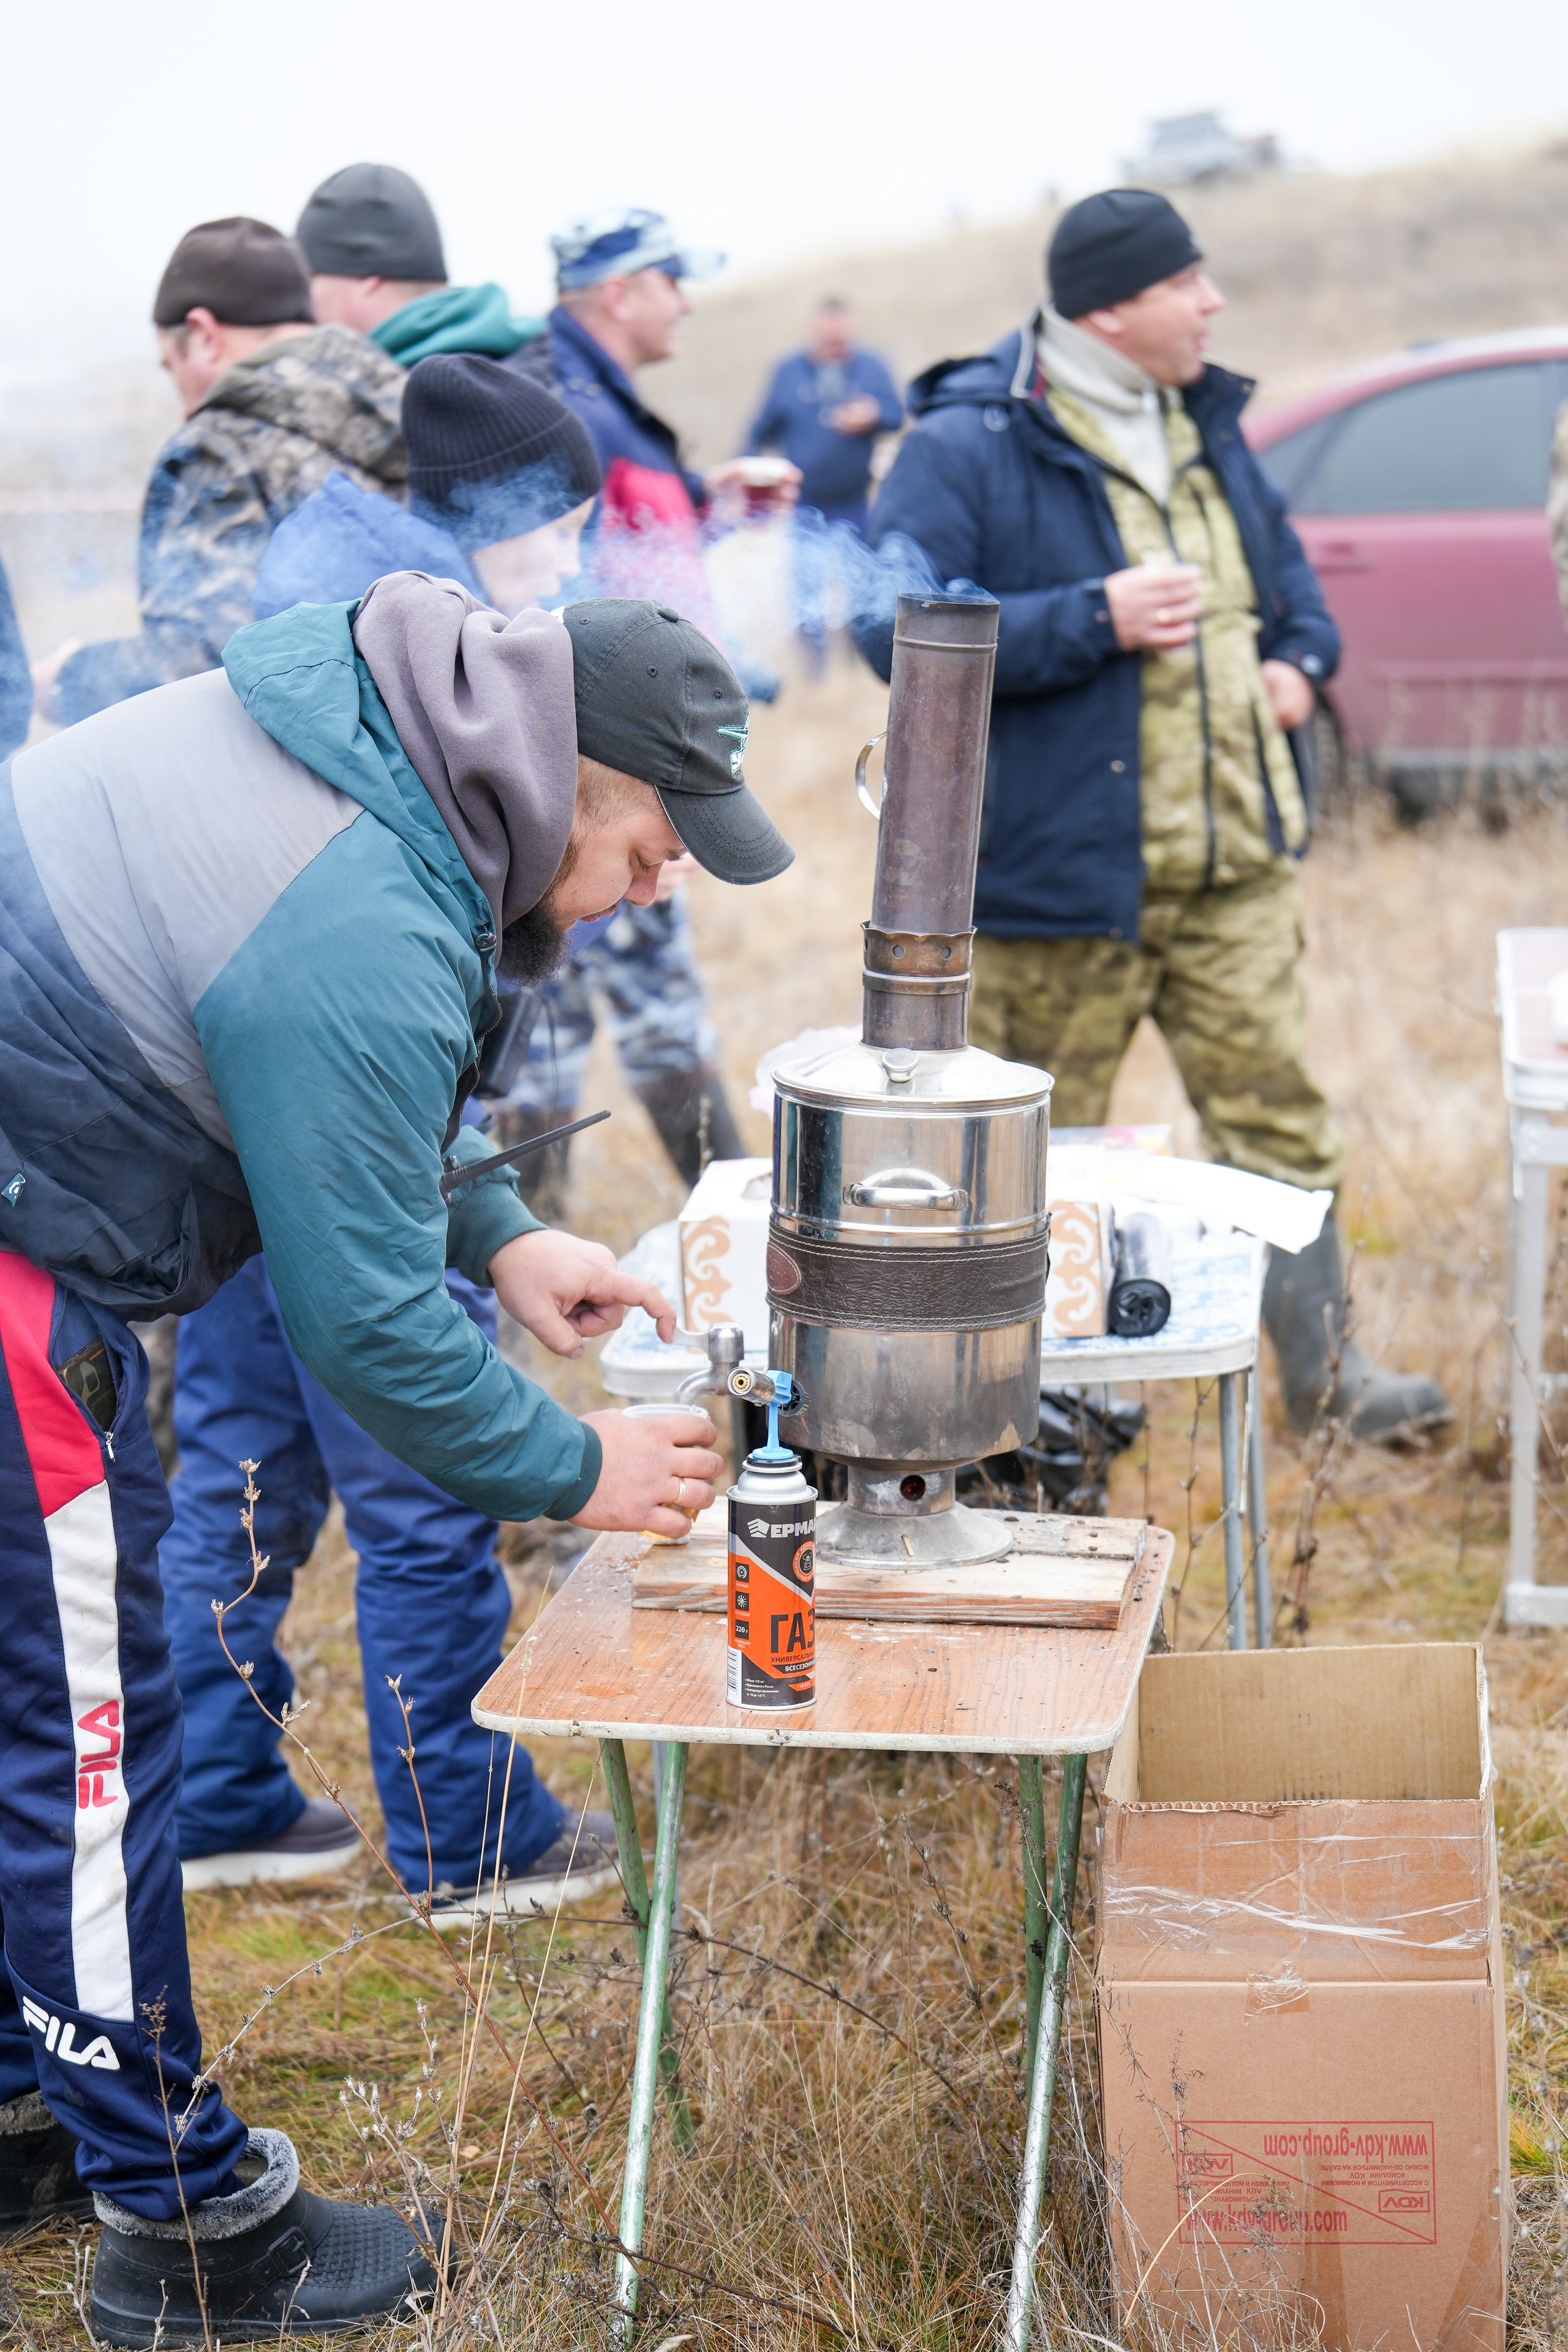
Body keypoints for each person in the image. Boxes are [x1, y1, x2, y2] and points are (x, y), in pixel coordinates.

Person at [0, 573, 790, 2331]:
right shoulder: (367, 897)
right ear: (575, 769)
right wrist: (581, 1473)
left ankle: (22, 2099)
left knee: (30, 1712)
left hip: (28, 1201)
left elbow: (343, 1088)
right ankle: (188, 2227)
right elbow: (363, 1323)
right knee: (94, 1742)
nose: (660, 888)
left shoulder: (399, 750)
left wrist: (501, 1230)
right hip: (16, 1268)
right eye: (661, 844)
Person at [863, 187, 1449, 1443]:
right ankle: (1018, 1417)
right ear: (1110, 307)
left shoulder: (1202, 420)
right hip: (1061, 890)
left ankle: (1331, 1389)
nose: (1213, 302)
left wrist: (1299, 654)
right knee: (1033, 1160)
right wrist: (1091, 617)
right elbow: (890, 628)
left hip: (1234, 868)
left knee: (1275, 1122)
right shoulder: (968, 442)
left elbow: (1283, 580)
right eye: (1188, 283)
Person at [167, 356, 606, 1912]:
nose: (568, 561)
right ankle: (467, 1835)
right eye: (555, 526)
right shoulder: (430, 664)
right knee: (418, 1463)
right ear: (487, 515)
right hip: (325, 1094)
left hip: (215, 1105)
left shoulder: (328, 609)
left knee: (237, 1456)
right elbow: (379, 989)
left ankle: (216, 1793)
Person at [491, 207, 801, 1201]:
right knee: (547, 1030)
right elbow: (559, 594)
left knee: (642, 1017)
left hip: (640, 774)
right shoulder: (567, 412)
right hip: (608, 778)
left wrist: (702, 501)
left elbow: (624, 559)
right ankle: (525, 1250)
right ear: (619, 294)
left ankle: (739, 1236)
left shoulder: (608, 405)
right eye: (673, 280)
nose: (688, 300)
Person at [32, 219, 405, 728]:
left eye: (171, 366)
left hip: (303, 782)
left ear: (205, 336)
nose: (182, 399)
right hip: (428, 770)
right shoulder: (404, 402)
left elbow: (199, 665)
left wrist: (64, 679)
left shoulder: (217, 447)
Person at [297, 162, 547, 375]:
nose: (299, 301)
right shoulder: (540, 364)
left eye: (308, 280)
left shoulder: (407, 400)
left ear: (367, 281)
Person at [745, 297, 902, 534]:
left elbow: (896, 414)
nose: (835, 350)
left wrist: (874, 414)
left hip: (854, 502)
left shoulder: (872, 366)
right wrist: (746, 482)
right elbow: (761, 430)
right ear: (815, 331)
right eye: (829, 342)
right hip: (802, 503)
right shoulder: (789, 371)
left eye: (841, 343)